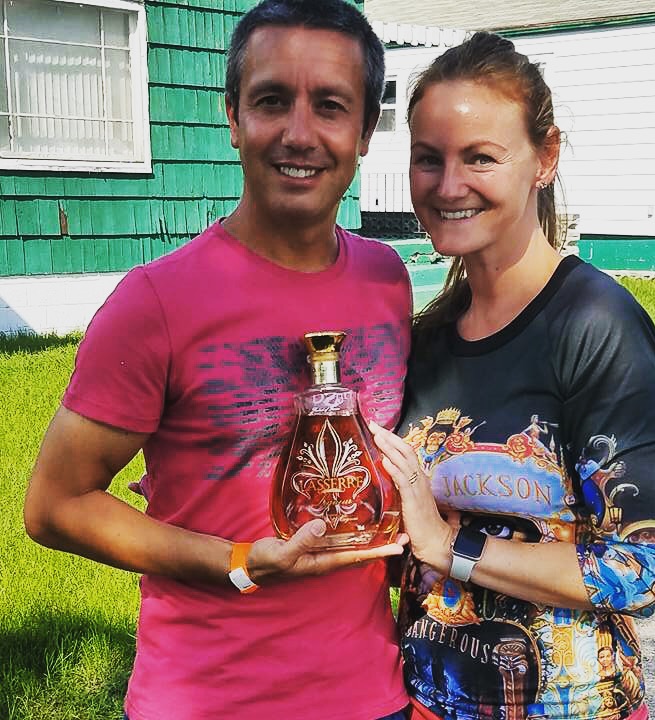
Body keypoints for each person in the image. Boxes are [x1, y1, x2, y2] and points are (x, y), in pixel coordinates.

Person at [24, 1, 412, 718]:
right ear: (233, 117)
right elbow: (55, 506)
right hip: (208, 698)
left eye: (331, 106)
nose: (300, 133)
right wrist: (236, 562)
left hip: (372, 692)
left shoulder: (387, 280)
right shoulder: (155, 302)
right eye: (271, 101)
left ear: (364, 132)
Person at [370, 32, 655, 720]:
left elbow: (641, 568)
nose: (448, 185)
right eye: (428, 158)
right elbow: (403, 537)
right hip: (425, 700)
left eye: (480, 157)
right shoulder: (427, 336)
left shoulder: (596, 324)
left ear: (545, 157)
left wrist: (452, 547)